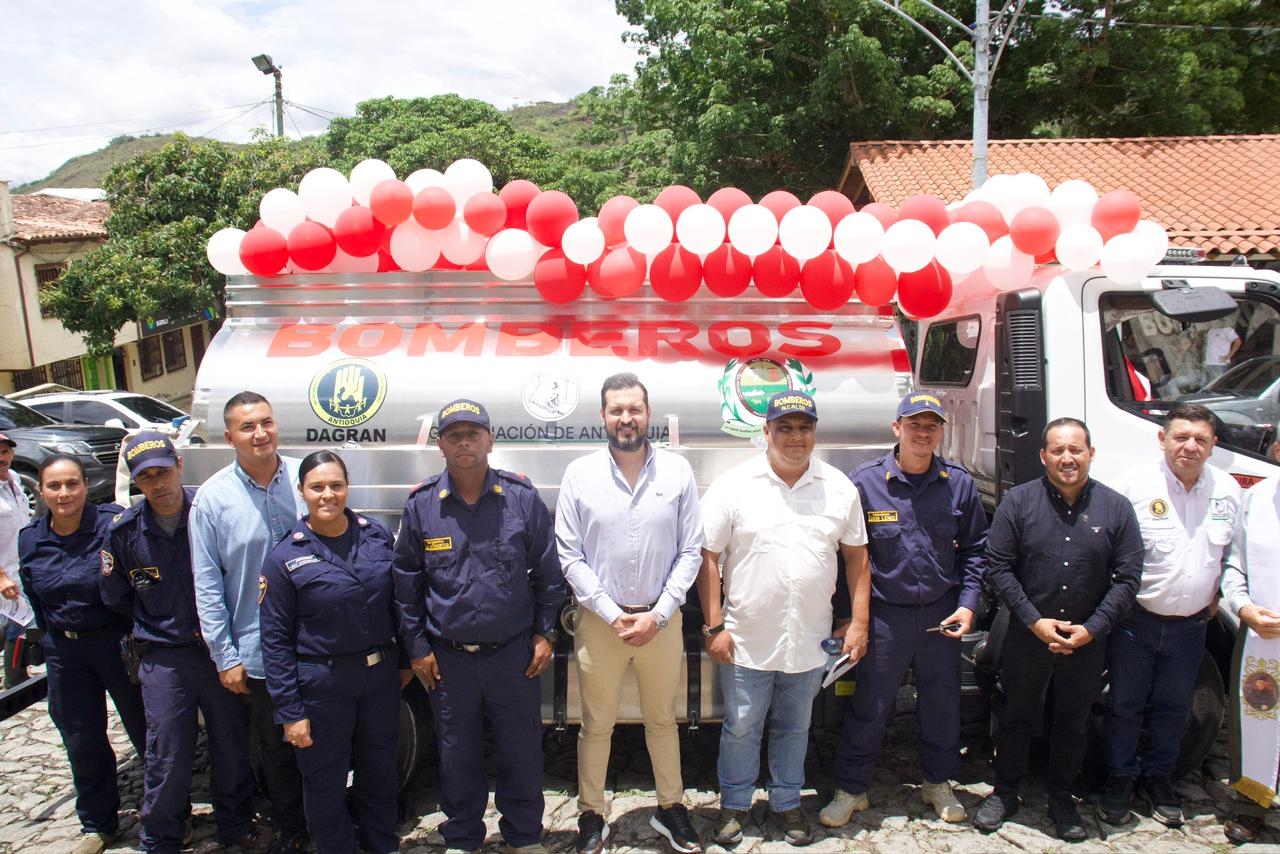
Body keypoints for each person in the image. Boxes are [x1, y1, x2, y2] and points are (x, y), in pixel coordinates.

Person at [698, 390, 870, 848]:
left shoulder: (839, 488)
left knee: (796, 726)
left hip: (810, 639)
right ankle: (733, 807)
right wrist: (714, 626)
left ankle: (785, 803)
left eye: (805, 428)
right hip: (746, 636)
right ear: (767, 432)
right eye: (785, 428)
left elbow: (857, 558)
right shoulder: (734, 485)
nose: (796, 437)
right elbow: (708, 557)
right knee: (741, 725)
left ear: (815, 432)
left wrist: (858, 622)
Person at [394, 399, 566, 854]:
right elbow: (406, 586)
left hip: (512, 655)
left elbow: (550, 575)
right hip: (448, 659)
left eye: (473, 434)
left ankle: (524, 835)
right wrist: (416, 648)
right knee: (457, 753)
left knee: (522, 749)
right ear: (440, 445)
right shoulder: (422, 505)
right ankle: (463, 837)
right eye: (454, 435)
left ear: (490, 440)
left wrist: (544, 633)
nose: (464, 442)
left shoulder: (521, 498)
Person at [821, 392, 987, 828]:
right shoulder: (865, 482)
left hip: (941, 614)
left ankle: (938, 782)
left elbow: (975, 552)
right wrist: (847, 617)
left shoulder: (958, 483)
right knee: (871, 705)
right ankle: (852, 789)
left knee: (942, 703)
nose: (922, 432)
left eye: (931, 425)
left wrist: (969, 605)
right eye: (914, 424)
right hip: (884, 618)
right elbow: (846, 557)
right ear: (897, 428)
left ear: (940, 432)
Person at [974, 418, 1144, 842]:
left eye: (1076, 449)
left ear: (1091, 453)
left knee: (1073, 721)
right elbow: (997, 566)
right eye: (1058, 450)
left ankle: (1062, 797)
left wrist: (1094, 629)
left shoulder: (1117, 508)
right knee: (1015, 715)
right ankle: (1006, 791)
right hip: (1027, 635)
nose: (1067, 457)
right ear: (1043, 455)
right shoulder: (1019, 503)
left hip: (1087, 641)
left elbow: (1128, 578)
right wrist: (1034, 621)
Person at [100, 432, 269, 853]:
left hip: (218, 653)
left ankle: (236, 824)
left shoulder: (212, 509)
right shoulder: (124, 533)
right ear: (137, 482)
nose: (158, 484)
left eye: (164, 471)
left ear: (179, 464)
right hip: (165, 656)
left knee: (231, 744)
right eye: (147, 478)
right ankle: (161, 836)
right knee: (167, 753)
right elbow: (116, 598)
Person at [556, 373, 704, 854]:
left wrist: (658, 614)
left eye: (634, 409)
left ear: (648, 413)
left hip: (661, 621)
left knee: (663, 720)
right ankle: (592, 814)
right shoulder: (580, 474)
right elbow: (569, 555)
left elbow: (692, 550)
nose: (626, 418)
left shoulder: (678, 473)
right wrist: (610, 612)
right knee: (595, 723)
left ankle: (670, 808)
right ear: (602, 416)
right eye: (616, 410)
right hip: (601, 624)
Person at [1099, 403, 1241, 828]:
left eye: (1200, 439)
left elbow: (1233, 554)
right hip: (1136, 622)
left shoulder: (1229, 490)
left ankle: (1159, 779)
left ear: (1213, 445)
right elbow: (1108, 552)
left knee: (1174, 709)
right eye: (1181, 437)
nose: (1190, 446)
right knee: (1124, 705)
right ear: (1162, 439)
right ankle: (1119, 780)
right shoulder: (1131, 487)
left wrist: (1218, 593)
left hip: (1192, 627)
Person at [261, 451, 404, 854]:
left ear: (347, 487)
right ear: (303, 492)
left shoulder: (375, 535)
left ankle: (381, 844)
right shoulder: (285, 558)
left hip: (378, 678)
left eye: (336, 485)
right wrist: (290, 712)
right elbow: (273, 641)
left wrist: (406, 662)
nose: (328, 495)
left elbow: (398, 605)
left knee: (380, 773)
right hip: (321, 687)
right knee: (325, 781)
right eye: (317, 487)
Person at [190, 391, 308, 853]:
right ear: (229, 437)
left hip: (316, 641)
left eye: (266, 422)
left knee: (330, 737)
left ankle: (333, 817)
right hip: (258, 648)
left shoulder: (308, 475)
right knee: (276, 745)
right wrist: (226, 656)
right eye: (247, 427)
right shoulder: (213, 500)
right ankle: (293, 827)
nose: (259, 433)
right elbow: (207, 585)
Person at [18, 455, 147, 854]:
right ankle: (98, 824)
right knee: (81, 739)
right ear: (41, 491)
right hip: (65, 649)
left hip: (115, 641)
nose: (64, 493)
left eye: (71, 484)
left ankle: (167, 815)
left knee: (148, 731)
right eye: (54, 486)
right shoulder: (31, 538)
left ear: (85, 485)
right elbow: (34, 595)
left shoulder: (112, 525)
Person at [1217, 437, 1280, 844]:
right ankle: (1251, 805)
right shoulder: (1255, 498)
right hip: (1265, 634)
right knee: (1258, 717)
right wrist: (1243, 607)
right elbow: (1233, 565)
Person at [0, 431, 34, 688]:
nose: (1, 458)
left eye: (5, 452)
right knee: (17, 627)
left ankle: (16, 681)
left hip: (20, 567)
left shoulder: (13, 480)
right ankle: (15, 684)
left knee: (14, 626)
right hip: (5, 574)